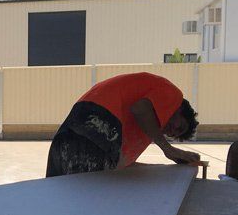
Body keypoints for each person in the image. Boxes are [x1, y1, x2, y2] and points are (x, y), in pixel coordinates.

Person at [46, 72, 200, 177]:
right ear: (180, 109)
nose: (172, 132)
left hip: (80, 119)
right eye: (179, 127)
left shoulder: (145, 127)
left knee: (61, 188)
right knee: (95, 189)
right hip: (100, 117)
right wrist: (168, 149)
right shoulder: (173, 95)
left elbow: (119, 164)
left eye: (173, 135)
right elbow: (140, 109)